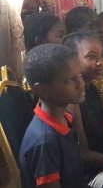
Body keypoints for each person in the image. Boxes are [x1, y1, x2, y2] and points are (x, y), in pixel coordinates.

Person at [19, 44, 89, 188]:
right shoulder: (44, 141)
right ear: (42, 90)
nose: (81, 84)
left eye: (80, 76)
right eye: (70, 80)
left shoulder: (66, 118)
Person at [64, 32, 103, 187]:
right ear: (73, 61)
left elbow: (100, 132)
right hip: (89, 175)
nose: (101, 62)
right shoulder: (72, 100)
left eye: (102, 55)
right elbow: (84, 155)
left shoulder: (92, 88)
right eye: (91, 57)